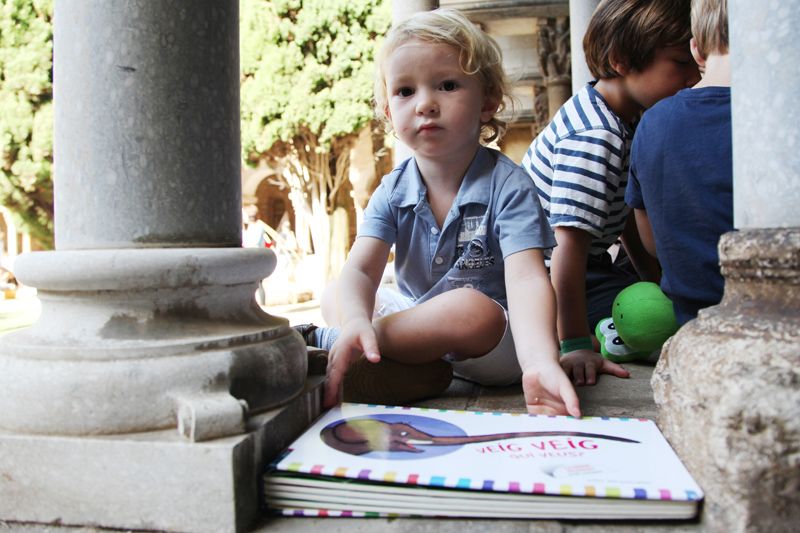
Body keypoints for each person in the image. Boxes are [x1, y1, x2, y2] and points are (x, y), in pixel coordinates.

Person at [305, 8, 580, 417]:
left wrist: (540, 360)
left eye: (447, 85)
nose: (425, 104)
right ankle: (410, 369)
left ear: (488, 101)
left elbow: (527, 279)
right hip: (421, 324)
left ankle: (335, 344)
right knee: (339, 294)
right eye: (405, 91)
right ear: (388, 113)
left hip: (498, 339)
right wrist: (356, 316)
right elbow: (361, 270)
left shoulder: (509, 184)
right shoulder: (393, 190)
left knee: (467, 307)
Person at [521, 0, 701, 385]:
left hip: (586, 263)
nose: (693, 77)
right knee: (656, 321)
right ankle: (601, 335)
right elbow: (567, 249)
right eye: (680, 63)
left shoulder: (620, 117)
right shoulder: (596, 135)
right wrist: (573, 345)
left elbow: (623, 218)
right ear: (621, 59)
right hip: (545, 273)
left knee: (664, 299)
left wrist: (654, 281)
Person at [625, 0, 732, 325]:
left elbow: (652, 243)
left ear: (696, 50)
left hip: (691, 322)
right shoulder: (782, 122)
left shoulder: (652, 123)